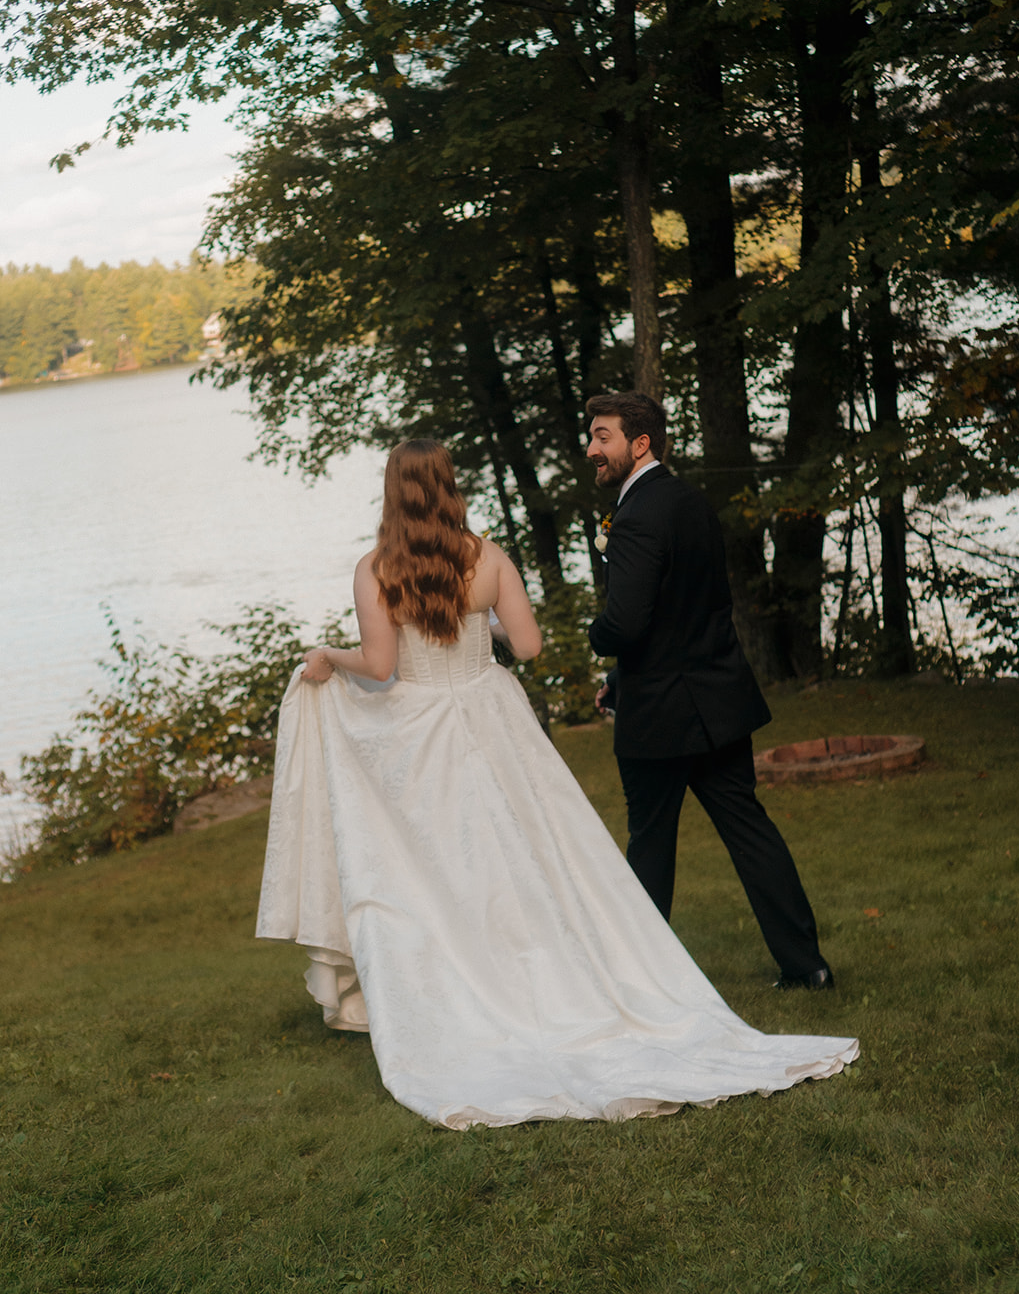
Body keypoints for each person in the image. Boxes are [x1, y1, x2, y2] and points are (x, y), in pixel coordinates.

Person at [257, 438, 856, 1129]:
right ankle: (551, 979)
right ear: (449, 487)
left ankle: (471, 987)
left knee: (443, 866)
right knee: (532, 856)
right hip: (491, 714)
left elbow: (382, 663)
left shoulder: (375, 570)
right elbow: (531, 646)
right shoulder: (487, 559)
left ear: (392, 491)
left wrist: (328, 656)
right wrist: (475, 630)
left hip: (421, 730)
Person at [586, 391, 834, 990]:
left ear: (639, 443)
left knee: (649, 847)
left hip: (661, 718)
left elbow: (627, 622)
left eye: (602, 436)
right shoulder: (690, 501)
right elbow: (688, 611)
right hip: (717, 701)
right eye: (591, 436)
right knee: (751, 834)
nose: (591, 448)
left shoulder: (638, 515)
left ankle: (641, 980)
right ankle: (808, 968)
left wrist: (600, 638)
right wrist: (619, 679)